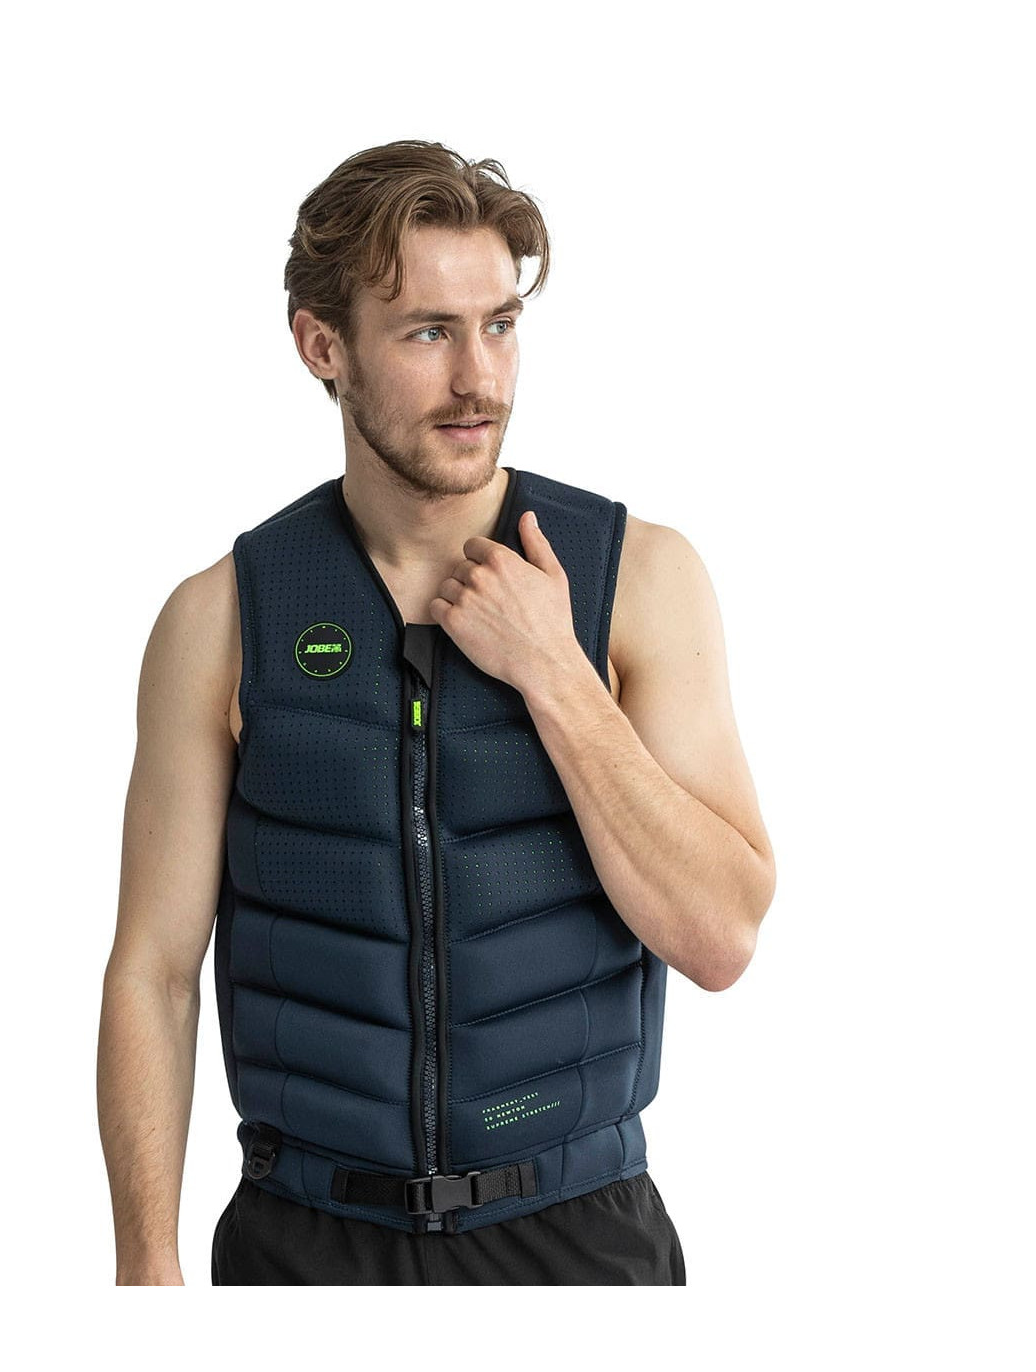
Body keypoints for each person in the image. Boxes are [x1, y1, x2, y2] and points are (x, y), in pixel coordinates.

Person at [97, 140, 775, 1286]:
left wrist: (556, 674)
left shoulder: (638, 582)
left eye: (500, 325)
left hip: (580, 1243)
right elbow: (153, 972)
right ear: (322, 345)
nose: (480, 379)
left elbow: (722, 936)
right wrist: (144, 1275)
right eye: (428, 333)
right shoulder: (220, 620)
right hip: (302, 1248)